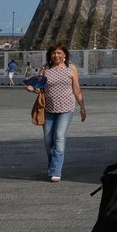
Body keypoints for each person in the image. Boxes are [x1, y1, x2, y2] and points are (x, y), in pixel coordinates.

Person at [36, 43, 86, 182]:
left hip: (66, 108)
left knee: (59, 137)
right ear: (50, 55)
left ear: (64, 55)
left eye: (59, 53)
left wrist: (82, 107)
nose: (56, 55)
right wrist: (31, 88)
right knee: (48, 141)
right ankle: (53, 166)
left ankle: (56, 171)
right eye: (53, 53)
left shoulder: (71, 68)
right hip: (48, 109)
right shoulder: (45, 69)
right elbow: (38, 87)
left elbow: (76, 89)